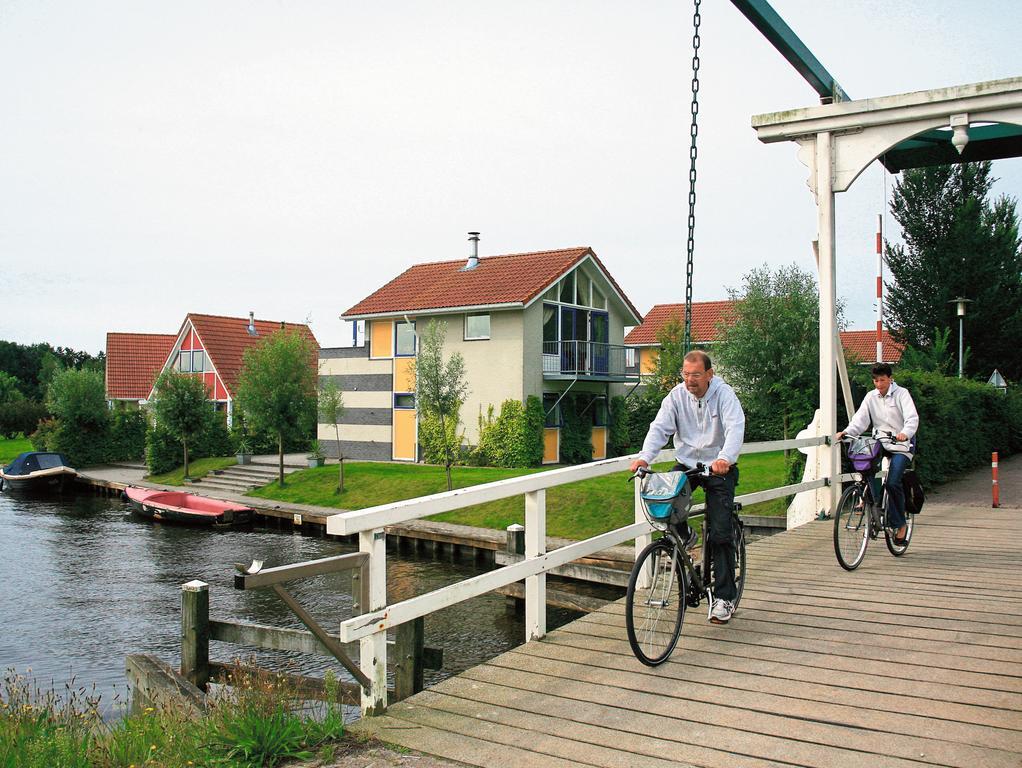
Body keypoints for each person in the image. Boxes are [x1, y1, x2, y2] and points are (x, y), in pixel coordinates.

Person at [629, 350, 745, 625]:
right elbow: (659, 428)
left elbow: (735, 428)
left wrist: (725, 459)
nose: (690, 380)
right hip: (688, 463)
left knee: (720, 532)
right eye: (686, 374)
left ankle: (724, 597)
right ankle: (687, 536)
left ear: (709, 374)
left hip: (718, 465)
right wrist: (645, 456)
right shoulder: (676, 397)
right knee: (665, 504)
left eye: (695, 374)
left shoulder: (724, 395)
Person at [836, 362, 919, 546]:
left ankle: (900, 524)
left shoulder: (902, 394)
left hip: (902, 445)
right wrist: (847, 432)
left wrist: (905, 433)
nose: (879, 384)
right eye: (875, 380)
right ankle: (874, 503)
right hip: (880, 443)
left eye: (882, 380)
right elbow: (860, 419)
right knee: (865, 468)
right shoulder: (870, 397)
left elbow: (912, 418)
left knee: (892, 482)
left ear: (890, 379)